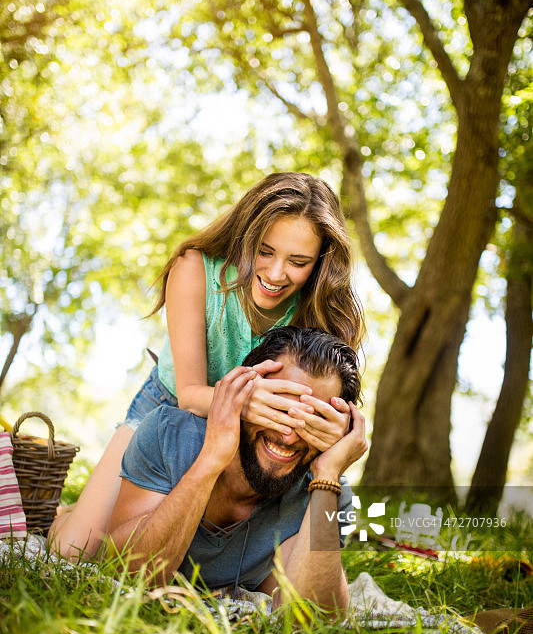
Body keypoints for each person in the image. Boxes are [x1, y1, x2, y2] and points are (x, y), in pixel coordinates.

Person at [48, 172, 364, 560]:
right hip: (165, 412)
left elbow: (331, 403)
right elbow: (189, 395)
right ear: (246, 236)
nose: (276, 273)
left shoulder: (324, 309)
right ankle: (67, 515)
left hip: (253, 442)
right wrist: (244, 400)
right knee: (73, 552)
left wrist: (334, 429)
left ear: (320, 262)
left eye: (298, 262)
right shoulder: (194, 268)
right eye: (264, 252)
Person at [106, 327, 368, 615]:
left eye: (313, 421)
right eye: (277, 408)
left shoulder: (325, 491)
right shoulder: (167, 434)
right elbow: (123, 574)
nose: (289, 436)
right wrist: (212, 457)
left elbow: (315, 619)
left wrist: (327, 478)